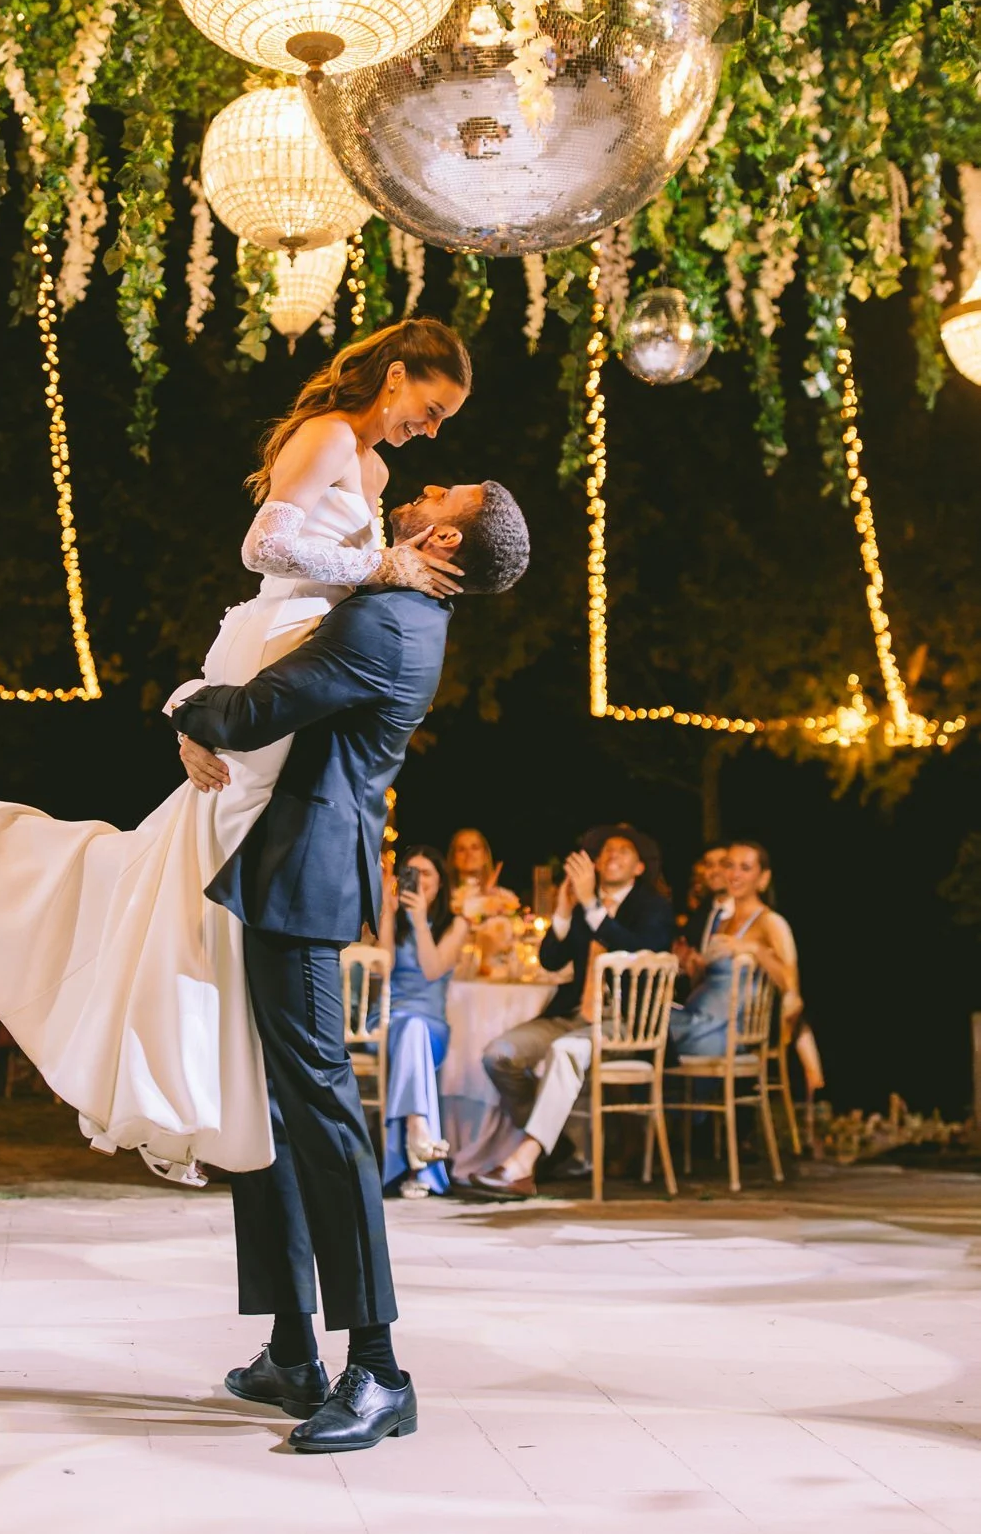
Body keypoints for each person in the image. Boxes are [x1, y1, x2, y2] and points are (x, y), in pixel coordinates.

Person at [0, 318, 474, 1183]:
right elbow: (264, 546)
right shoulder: (324, 436)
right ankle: (178, 1067)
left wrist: (375, 575)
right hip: (270, 643)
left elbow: (349, 579)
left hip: (297, 665)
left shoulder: (375, 467)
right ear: (394, 376)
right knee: (207, 865)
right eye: (430, 407)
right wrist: (379, 567)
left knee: (197, 863)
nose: (432, 430)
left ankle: (209, 1080)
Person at [171, 479, 531, 1452]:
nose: (412, 489)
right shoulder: (389, 604)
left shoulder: (388, 624)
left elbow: (247, 715)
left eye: (433, 492)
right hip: (278, 872)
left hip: (301, 880)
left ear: (443, 531)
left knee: (322, 1113)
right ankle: (292, 1349)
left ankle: (377, 1370)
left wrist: (177, 699)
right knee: (271, 1106)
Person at [472, 829, 674, 1200]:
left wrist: (591, 908)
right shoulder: (583, 905)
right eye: (606, 850)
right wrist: (564, 911)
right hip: (572, 1015)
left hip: (625, 1023)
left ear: (640, 866)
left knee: (567, 1052)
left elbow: (640, 951)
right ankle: (557, 1143)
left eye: (623, 851)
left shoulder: (653, 906)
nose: (612, 855)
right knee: (498, 1055)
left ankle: (522, 1165)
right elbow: (551, 960)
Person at [377, 845, 466, 1200]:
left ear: (441, 882)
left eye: (426, 873)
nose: (418, 881)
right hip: (388, 1020)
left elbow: (432, 969)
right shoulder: (393, 917)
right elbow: (382, 969)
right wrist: (387, 913)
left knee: (415, 1030)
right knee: (408, 1028)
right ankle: (419, 1144)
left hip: (431, 1025)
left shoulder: (455, 924)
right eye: (411, 873)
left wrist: (419, 920)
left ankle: (413, 1144)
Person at [671, 841, 798, 1058]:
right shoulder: (722, 922)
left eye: (745, 868)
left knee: (645, 1033)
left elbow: (790, 984)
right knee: (639, 1021)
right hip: (698, 1018)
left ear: (763, 878)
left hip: (722, 1032)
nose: (734, 874)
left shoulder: (769, 922)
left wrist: (754, 948)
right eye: (729, 866)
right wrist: (696, 967)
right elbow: (713, 986)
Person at [446, 827, 519, 924]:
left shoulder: (504, 897)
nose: (469, 854)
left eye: (475, 848)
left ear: (485, 855)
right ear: (454, 858)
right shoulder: (445, 897)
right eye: (461, 849)